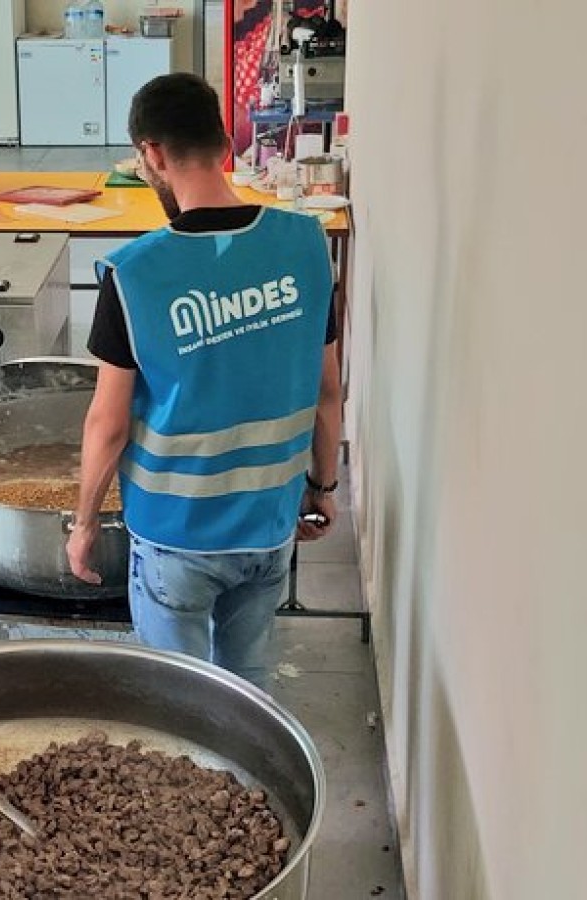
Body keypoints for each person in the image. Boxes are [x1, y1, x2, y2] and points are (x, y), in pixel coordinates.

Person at [67, 73, 344, 690]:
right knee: (246, 691)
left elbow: (107, 425)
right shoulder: (306, 244)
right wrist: (322, 486)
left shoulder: (132, 274)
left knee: (179, 702)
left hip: (176, 535)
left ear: (152, 154)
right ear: (224, 144)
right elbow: (329, 392)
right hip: (269, 523)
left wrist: (83, 525)